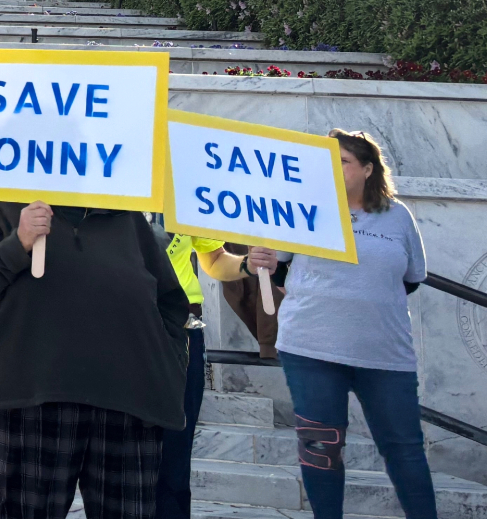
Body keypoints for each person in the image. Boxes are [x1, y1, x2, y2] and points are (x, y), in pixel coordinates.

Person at [0, 195, 189, 519]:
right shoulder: (2, 202)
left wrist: (167, 365)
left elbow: (170, 302)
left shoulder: (127, 213)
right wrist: (18, 241)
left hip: (128, 404)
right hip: (32, 399)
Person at [248, 131, 435, 519]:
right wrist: (259, 262)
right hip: (311, 349)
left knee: (404, 447)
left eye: (343, 161)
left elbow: (413, 278)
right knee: (320, 449)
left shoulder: (398, 215)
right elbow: (276, 265)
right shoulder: (301, 207)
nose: (333, 168)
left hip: (385, 354)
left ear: (368, 169)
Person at [157, 229, 251, 519]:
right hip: (120, 324)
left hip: (181, 327)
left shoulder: (184, 190)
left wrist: (248, 264)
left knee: (176, 447)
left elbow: (214, 259)